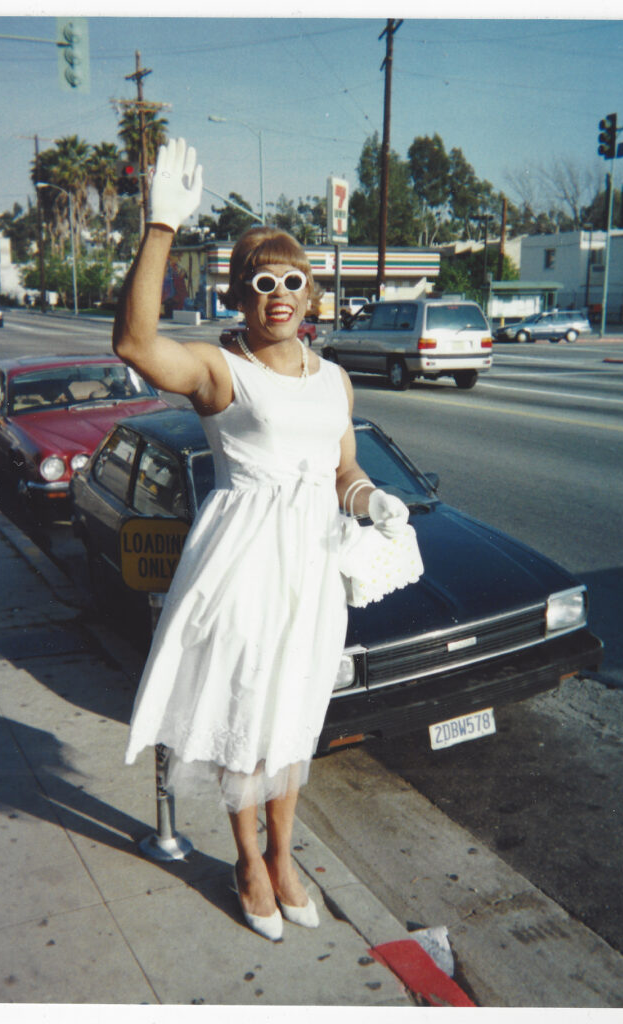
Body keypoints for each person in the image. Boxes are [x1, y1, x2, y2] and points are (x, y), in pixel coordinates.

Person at [113, 138, 411, 942]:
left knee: (294, 715)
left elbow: (342, 467)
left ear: (312, 292)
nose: (276, 293)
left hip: (311, 568)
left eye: (290, 280)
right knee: (248, 715)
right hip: (244, 563)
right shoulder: (222, 369)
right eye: (259, 282)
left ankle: (287, 854)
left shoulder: (335, 378)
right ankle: (249, 860)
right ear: (241, 296)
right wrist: (162, 227)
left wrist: (372, 500)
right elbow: (136, 346)